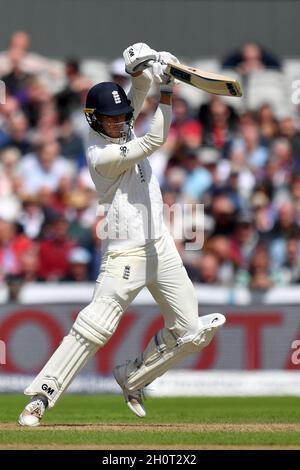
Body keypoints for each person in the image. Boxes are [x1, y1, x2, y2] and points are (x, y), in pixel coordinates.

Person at [19, 43, 225, 426]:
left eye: (120, 118)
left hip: (159, 245)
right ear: (93, 120)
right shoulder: (101, 155)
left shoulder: (120, 123)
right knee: (94, 327)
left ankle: (132, 377)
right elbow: (154, 141)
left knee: (193, 332)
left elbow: (136, 96)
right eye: (110, 119)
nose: (118, 123)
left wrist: (146, 68)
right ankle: (41, 398)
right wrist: (166, 91)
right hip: (125, 253)